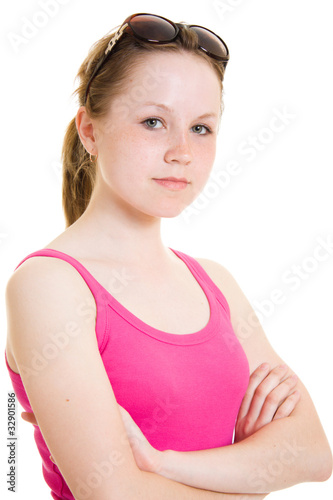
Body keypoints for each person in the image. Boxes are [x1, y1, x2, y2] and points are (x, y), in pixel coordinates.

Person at [4, 12, 332, 500]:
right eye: (153, 122)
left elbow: (312, 453)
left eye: (201, 128)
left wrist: (160, 464)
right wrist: (247, 477)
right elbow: (113, 494)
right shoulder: (49, 285)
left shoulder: (215, 282)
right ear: (90, 131)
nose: (181, 151)